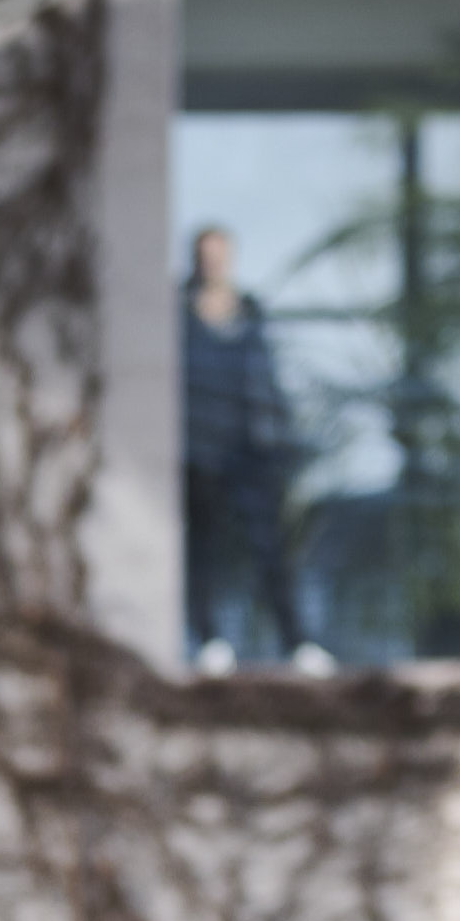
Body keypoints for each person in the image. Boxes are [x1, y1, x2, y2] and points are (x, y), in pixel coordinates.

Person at [179, 227, 313, 671]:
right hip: (199, 452)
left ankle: (297, 643)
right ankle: (210, 640)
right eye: (206, 255)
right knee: (203, 551)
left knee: (272, 549)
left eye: (221, 254)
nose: (213, 263)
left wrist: (283, 438)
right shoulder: (179, 313)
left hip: (251, 450)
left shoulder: (252, 313)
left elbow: (269, 381)